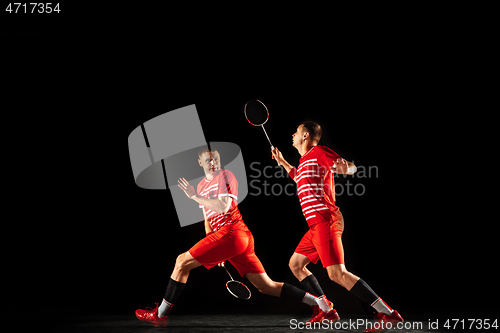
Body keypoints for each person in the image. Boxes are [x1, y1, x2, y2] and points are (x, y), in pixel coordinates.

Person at [135, 146, 334, 327]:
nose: (213, 163)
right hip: (230, 239)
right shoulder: (202, 186)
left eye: (216, 159)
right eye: (208, 160)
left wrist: (194, 197)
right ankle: (320, 304)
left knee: (181, 262)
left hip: (233, 233)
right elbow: (208, 218)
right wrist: (214, 248)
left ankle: (160, 315)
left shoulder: (226, 175)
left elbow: (223, 207)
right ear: (200, 162)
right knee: (266, 286)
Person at [271, 121, 403, 332]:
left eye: (296, 132)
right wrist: (283, 162)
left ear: (305, 136)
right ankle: (326, 310)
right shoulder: (304, 161)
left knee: (337, 274)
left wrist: (346, 167)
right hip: (314, 227)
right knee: (296, 264)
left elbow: (350, 167)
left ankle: (388, 313)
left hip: (326, 220)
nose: (292, 135)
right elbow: (299, 178)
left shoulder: (319, 152)